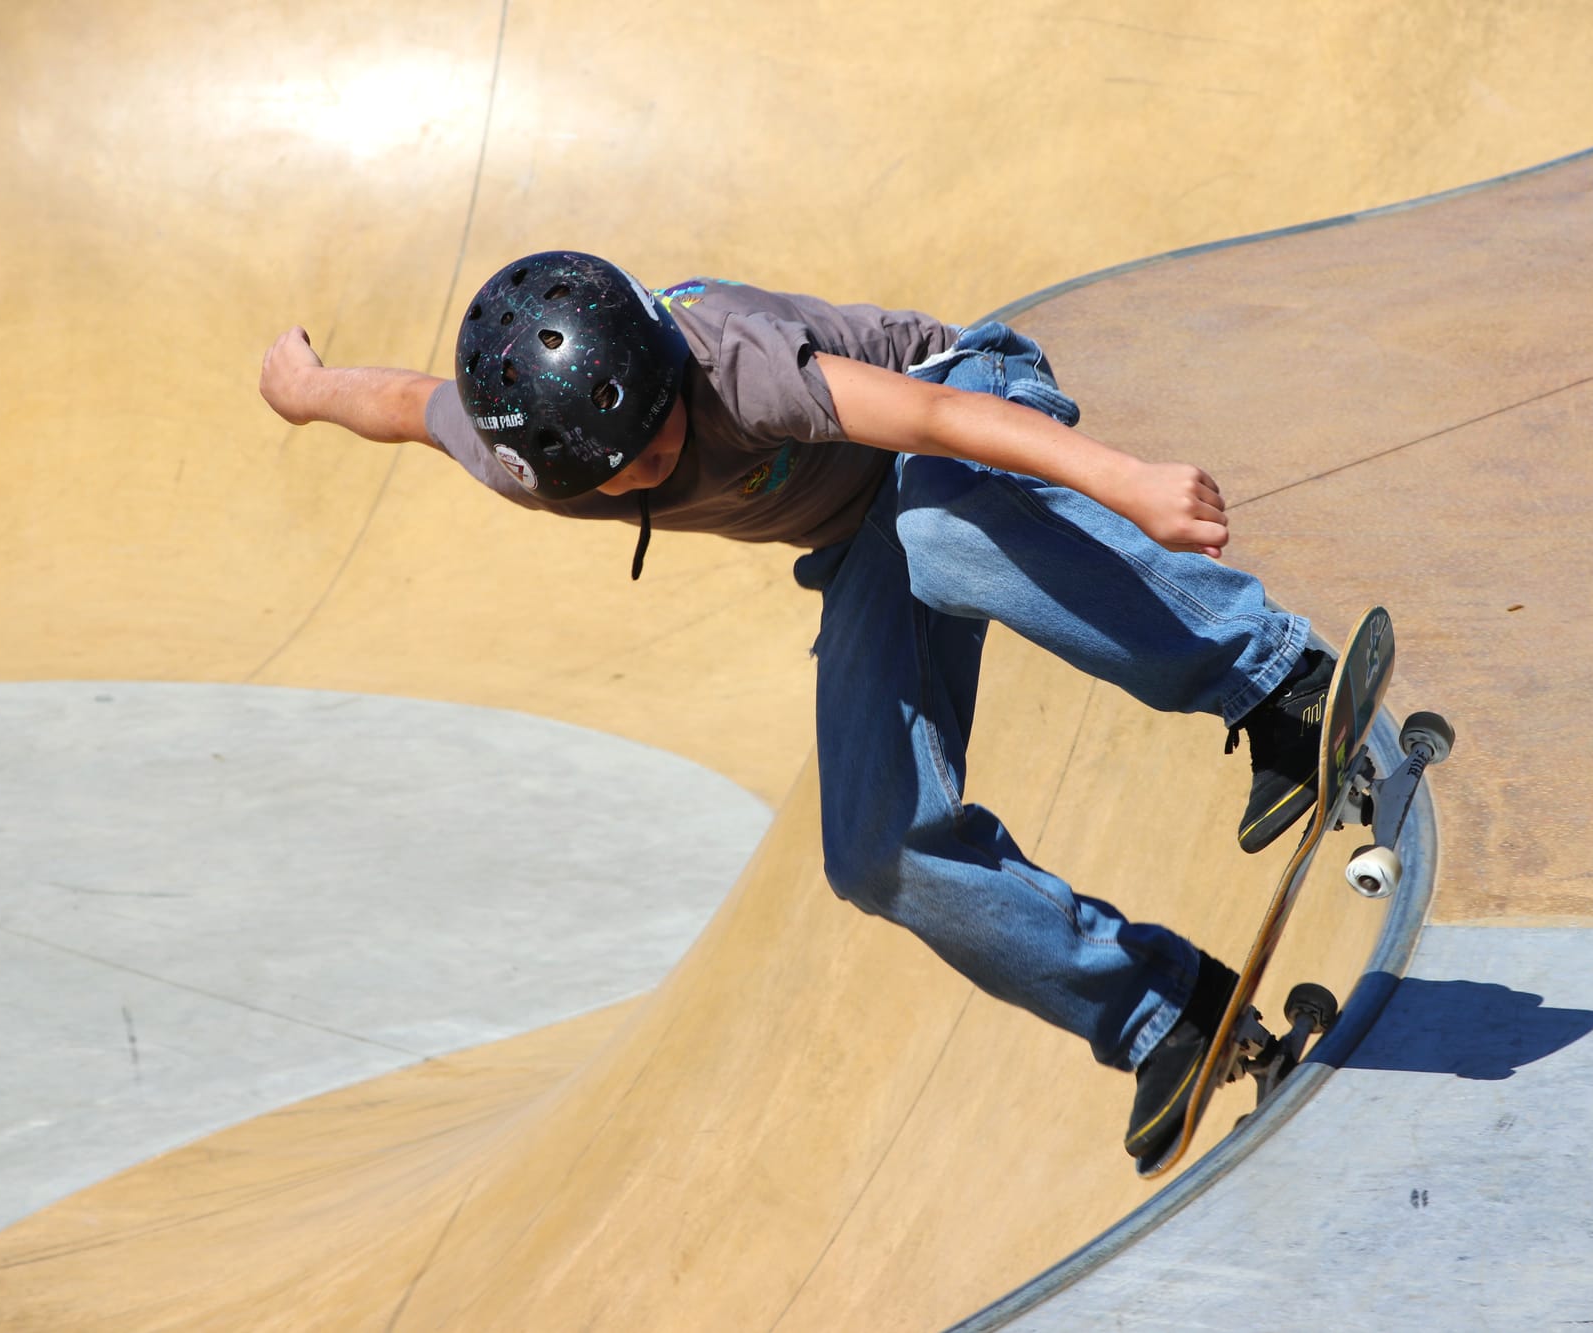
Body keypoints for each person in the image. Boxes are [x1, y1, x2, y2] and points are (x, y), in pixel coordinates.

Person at [258, 250, 1334, 1166]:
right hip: (860, 534)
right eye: (616, 471)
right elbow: (401, 404)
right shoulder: (517, 456)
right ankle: (1166, 1016)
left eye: (658, 435)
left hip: (958, 405)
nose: (649, 468)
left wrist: (1126, 478)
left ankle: (1280, 684)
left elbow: (934, 411)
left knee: (942, 533)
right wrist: (302, 390)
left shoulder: (735, 368)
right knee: (873, 852)